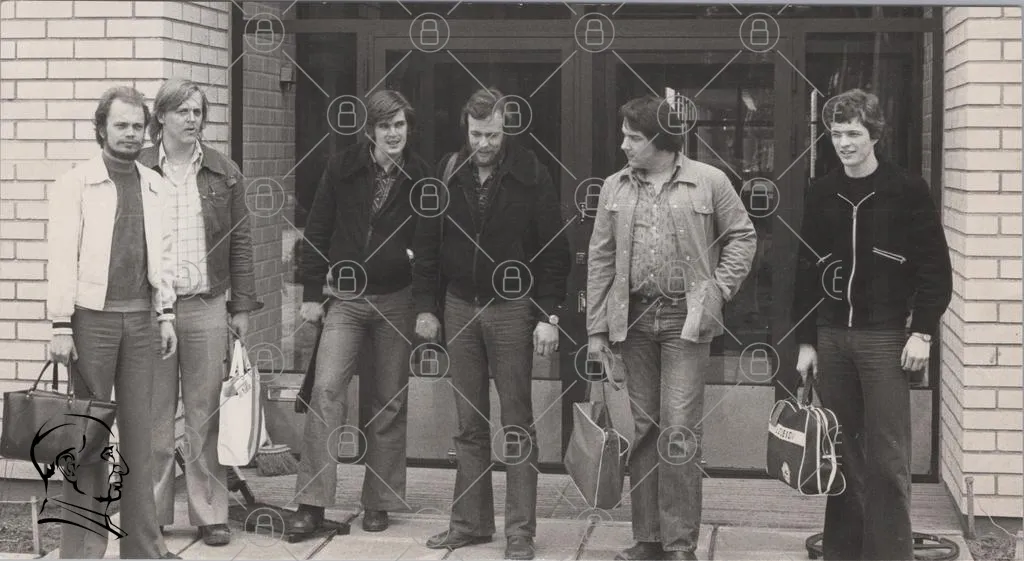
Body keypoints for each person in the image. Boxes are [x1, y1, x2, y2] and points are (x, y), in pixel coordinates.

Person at [586, 94, 756, 561]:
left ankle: (680, 544)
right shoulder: (614, 187)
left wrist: (718, 290)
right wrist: (596, 331)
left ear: (660, 141)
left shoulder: (709, 181)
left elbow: (743, 236)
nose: (623, 145)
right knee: (645, 428)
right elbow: (600, 259)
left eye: (633, 138)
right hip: (633, 320)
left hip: (687, 319)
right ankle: (648, 539)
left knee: (678, 428)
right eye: (624, 136)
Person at [792, 88, 952, 560]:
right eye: (836, 133)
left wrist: (922, 331)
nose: (844, 143)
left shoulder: (906, 189)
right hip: (832, 338)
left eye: (854, 133)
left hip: (884, 338)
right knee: (841, 454)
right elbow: (806, 269)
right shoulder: (822, 191)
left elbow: (935, 270)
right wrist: (806, 341)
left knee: (887, 459)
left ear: (874, 135)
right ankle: (843, 553)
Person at [413, 87, 571, 561]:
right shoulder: (447, 171)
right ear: (466, 127)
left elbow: (554, 253)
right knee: (469, 424)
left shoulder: (532, 174)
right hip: (459, 306)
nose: (484, 144)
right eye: (477, 134)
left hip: (512, 310)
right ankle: (470, 523)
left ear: (507, 129)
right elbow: (427, 244)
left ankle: (520, 532)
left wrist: (548, 315)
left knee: (517, 422)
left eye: (493, 135)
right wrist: (426, 307)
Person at [288, 90, 430, 536]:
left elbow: (430, 245)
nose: (394, 133)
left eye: (400, 125)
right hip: (346, 300)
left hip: (397, 299)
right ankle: (312, 502)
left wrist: (426, 302)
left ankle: (379, 501)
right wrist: (312, 292)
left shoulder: (422, 176)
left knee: (388, 399)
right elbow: (318, 229)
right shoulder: (342, 167)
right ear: (370, 130)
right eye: (385, 125)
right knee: (326, 390)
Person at [47, 86, 179, 559]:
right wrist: (61, 324)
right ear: (101, 128)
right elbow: (61, 256)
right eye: (120, 125)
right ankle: (81, 551)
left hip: (142, 322)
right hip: (90, 324)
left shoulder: (156, 185)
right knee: (88, 438)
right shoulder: (76, 184)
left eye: (137, 126)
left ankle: (144, 548)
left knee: (142, 438)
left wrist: (165, 314)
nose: (130, 133)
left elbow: (164, 257)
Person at [139, 78, 263, 547]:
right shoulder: (139, 168)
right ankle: (150, 516)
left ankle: (210, 513)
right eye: (183, 111)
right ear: (162, 117)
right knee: (153, 416)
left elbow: (242, 241)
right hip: (152, 309)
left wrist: (241, 306)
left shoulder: (223, 171)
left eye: (198, 112)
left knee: (204, 414)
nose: (193, 119)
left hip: (206, 305)